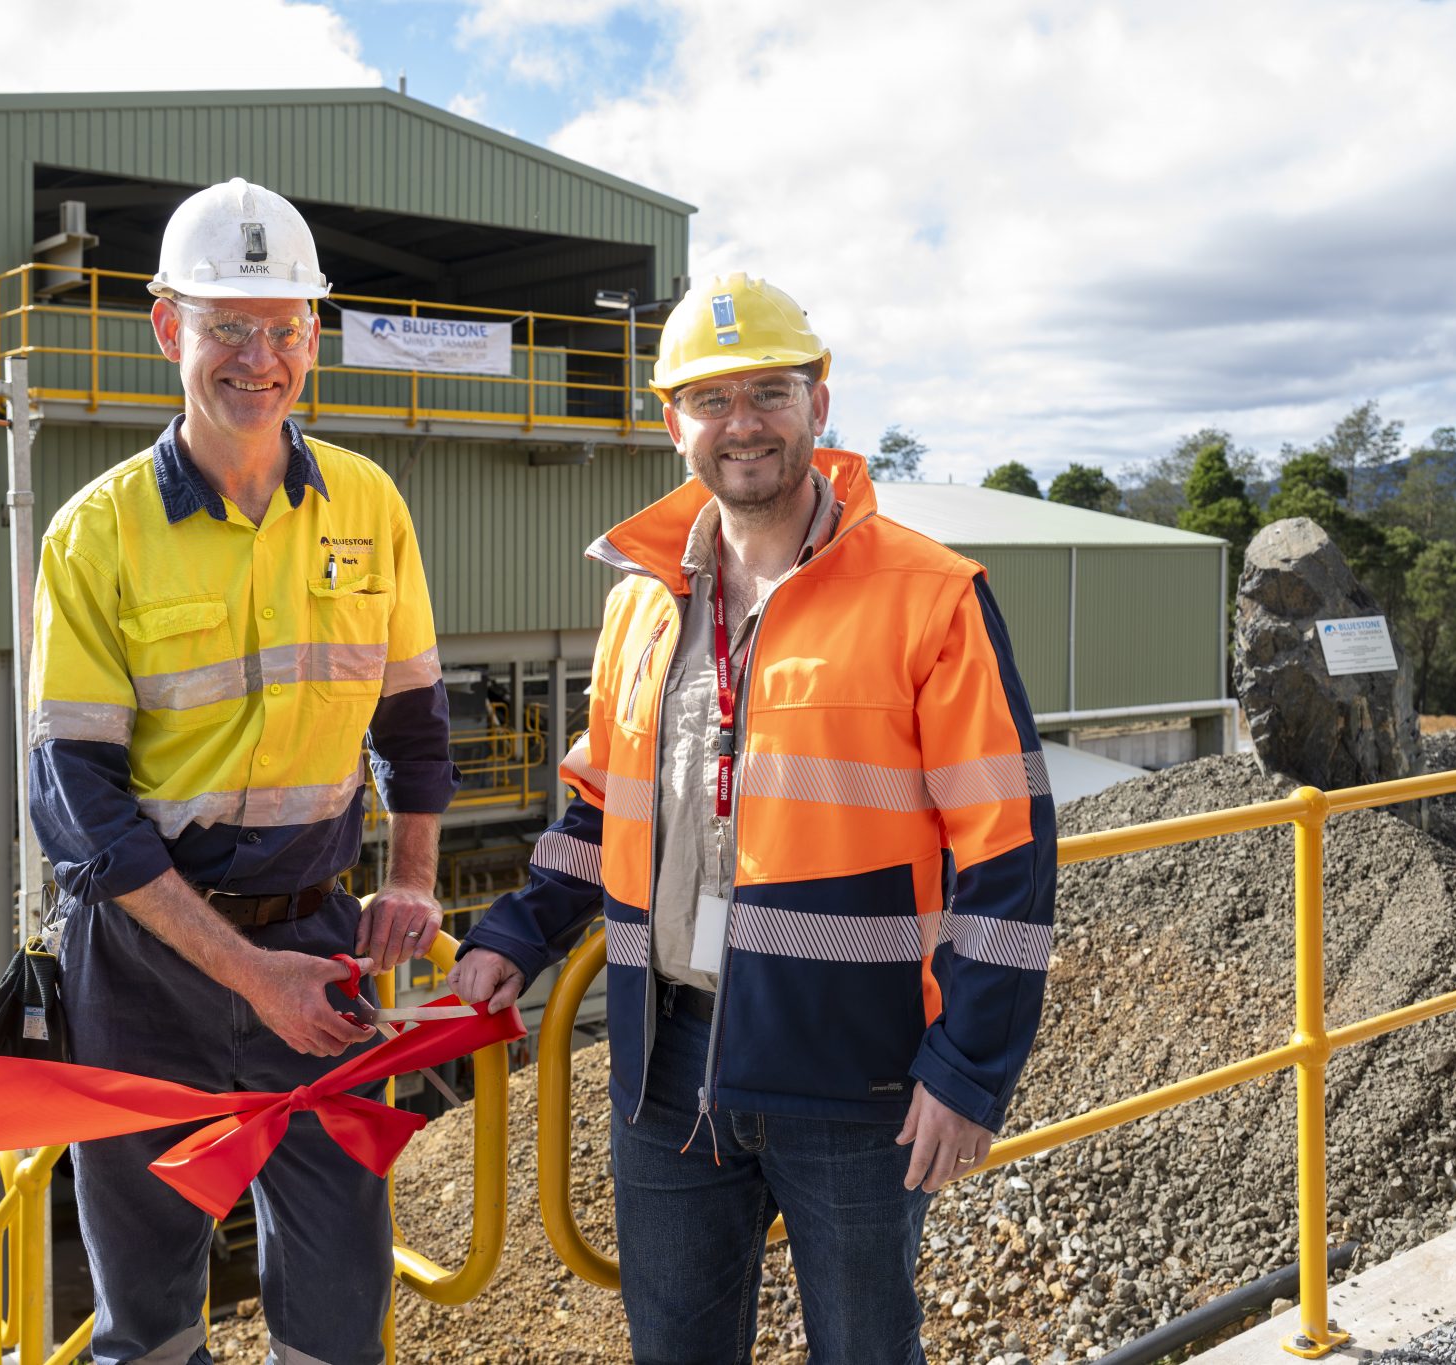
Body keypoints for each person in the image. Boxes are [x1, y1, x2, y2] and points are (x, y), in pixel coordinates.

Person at [449, 274, 1057, 1363]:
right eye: (712, 398)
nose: (743, 424)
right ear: (670, 420)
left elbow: (1006, 849)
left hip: (857, 1074)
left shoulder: (929, 596)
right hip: (665, 1061)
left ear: (818, 401)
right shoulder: (640, 603)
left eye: (770, 392)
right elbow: (605, 803)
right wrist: (518, 931)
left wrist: (969, 1068)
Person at [26, 178, 456, 1365]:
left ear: (312, 337)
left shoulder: (368, 503)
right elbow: (79, 804)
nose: (257, 359)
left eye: (281, 328)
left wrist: (413, 877)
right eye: (227, 326)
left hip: (317, 945)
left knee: (338, 1290)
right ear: (168, 328)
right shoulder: (97, 532)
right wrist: (246, 973)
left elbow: (413, 720)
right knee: (150, 1307)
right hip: (144, 962)